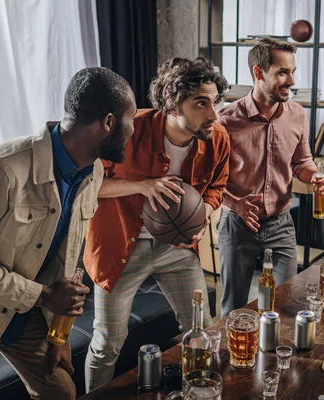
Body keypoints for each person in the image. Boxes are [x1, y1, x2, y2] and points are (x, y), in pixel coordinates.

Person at [0, 67, 136, 399]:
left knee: (61, 392)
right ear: (108, 123)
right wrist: (43, 296)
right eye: (130, 119)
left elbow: (66, 257)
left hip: (22, 307)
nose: (133, 129)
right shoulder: (1, 169)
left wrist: (57, 336)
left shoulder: (91, 169)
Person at [83, 56, 230, 391]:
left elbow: (218, 186)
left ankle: (199, 392)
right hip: (120, 249)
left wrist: (203, 212)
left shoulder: (217, 137)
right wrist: (141, 185)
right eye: (201, 104)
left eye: (216, 102)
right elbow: (86, 186)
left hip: (177, 250)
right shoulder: (124, 131)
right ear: (172, 105)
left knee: (202, 330)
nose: (214, 115)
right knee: (107, 345)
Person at [218, 38, 324, 318]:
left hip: (281, 223)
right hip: (238, 225)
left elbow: (301, 163)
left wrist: (318, 178)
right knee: (234, 308)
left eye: (293, 72)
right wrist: (235, 205)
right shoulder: (226, 121)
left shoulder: (297, 115)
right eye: (283, 72)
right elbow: (209, 182)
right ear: (258, 73)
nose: (291, 81)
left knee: (285, 304)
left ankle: (275, 360)